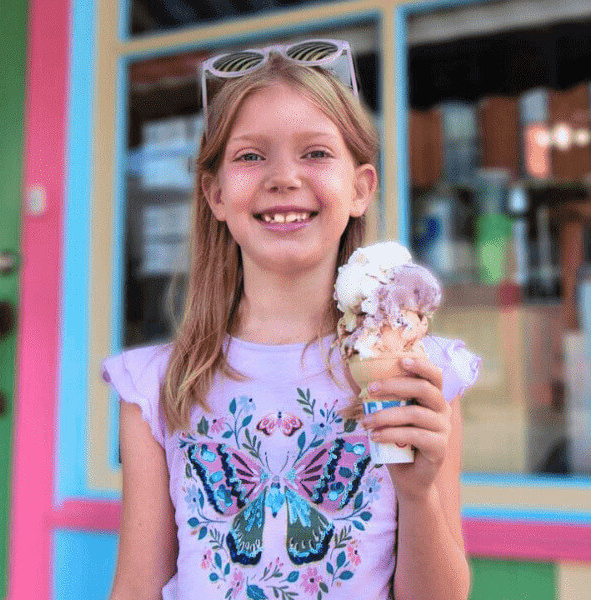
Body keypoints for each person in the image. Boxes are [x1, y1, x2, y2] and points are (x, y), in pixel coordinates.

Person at [103, 41, 481, 600]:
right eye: (251, 156)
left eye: (316, 153)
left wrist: (418, 493)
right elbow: (136, 587)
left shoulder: (415, 372)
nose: (283, 177)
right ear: (216, 194)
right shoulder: (160, 386)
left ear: (360, 188)